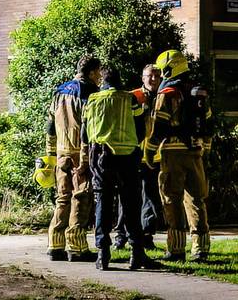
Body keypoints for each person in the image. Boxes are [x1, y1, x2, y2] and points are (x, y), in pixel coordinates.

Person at [82, 66, 163, 271]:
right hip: (127, 158)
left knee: (103, 204)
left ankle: (103, 254)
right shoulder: (130, 99)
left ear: (103, 81)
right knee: (131, 205)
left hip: (100, 157)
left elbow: (84, 134)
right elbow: (140, 128)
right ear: (120, 81)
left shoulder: (92, 100)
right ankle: (137, 254)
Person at [146, 49, 212, 262]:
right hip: (195, 151)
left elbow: (159, 127)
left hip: (172, 154)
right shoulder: (198, 92)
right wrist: (205, 148)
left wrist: (149, 151)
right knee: (196, 199)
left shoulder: (167, 94)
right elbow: (208, 123)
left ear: (168, 68)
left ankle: (175, 249)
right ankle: (201, 248)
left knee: (171, 200)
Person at [45, 56, 101, 262]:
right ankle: (76, 247)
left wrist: (51, 152)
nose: (100, 77)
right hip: (80, 152)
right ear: (93, 72)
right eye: (99, 72)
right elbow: (87, 127)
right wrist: (87, 157)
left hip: (61, 151)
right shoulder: (90, 93)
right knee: (80, 197)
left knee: (62, 197)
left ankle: (55, 244)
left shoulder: (59, 91)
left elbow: (50, 124)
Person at [115, 63, 164, 251]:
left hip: (154, 156)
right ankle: (121, 235)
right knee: (126, 196)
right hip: (133, 153)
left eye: (157, 76)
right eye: (150, 76)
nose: (153, 79)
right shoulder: (133, 96)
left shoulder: (163, 97)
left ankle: (147, 234)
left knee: (151, 198)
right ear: (142, 78)